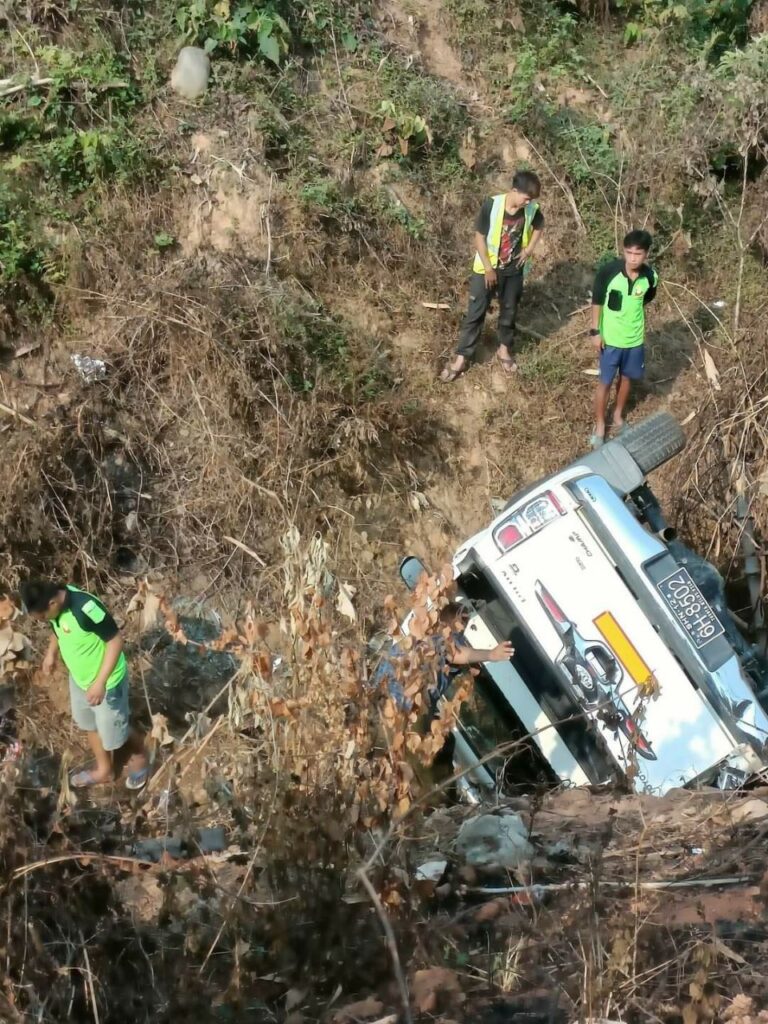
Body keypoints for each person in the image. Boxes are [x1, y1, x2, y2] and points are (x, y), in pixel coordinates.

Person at [20, 579, 148, 789]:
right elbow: (57, 628)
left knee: (116, 733)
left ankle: (141, 755)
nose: (43, 620)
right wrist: (51, 653)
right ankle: (105, 770)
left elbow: (115, 641)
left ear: (52, 603)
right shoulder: (55, 608)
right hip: (80, 679)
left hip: (107, 683)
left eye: (42, 616)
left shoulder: (85, 609)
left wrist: (100, 683)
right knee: (90, 724)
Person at [440, 170, 545, 383]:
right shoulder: (492, 205)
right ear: (515, 191)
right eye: (526, 198)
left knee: (509, 311)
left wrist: (529, 249)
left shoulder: (531, 209)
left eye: (531, 200)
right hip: (486, 269)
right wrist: (488, 268)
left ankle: (504, 350)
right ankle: (462, 358)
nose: (529, 202)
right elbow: (479, 237)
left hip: (513, 270)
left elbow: (539, 226)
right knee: (475, 313)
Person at [590, 229, 658, 448]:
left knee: (627, 378)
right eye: (628, 253)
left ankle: (618, 416)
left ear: (646, 254)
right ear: (623, 251)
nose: (632, 258)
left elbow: (646, 299)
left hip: (634, 341)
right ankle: (600, 425)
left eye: (637, 254)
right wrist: (595, 331)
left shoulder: (650, 277)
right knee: (605, 382)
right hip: (610, 341)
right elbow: (597, 302)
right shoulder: (608, 273)